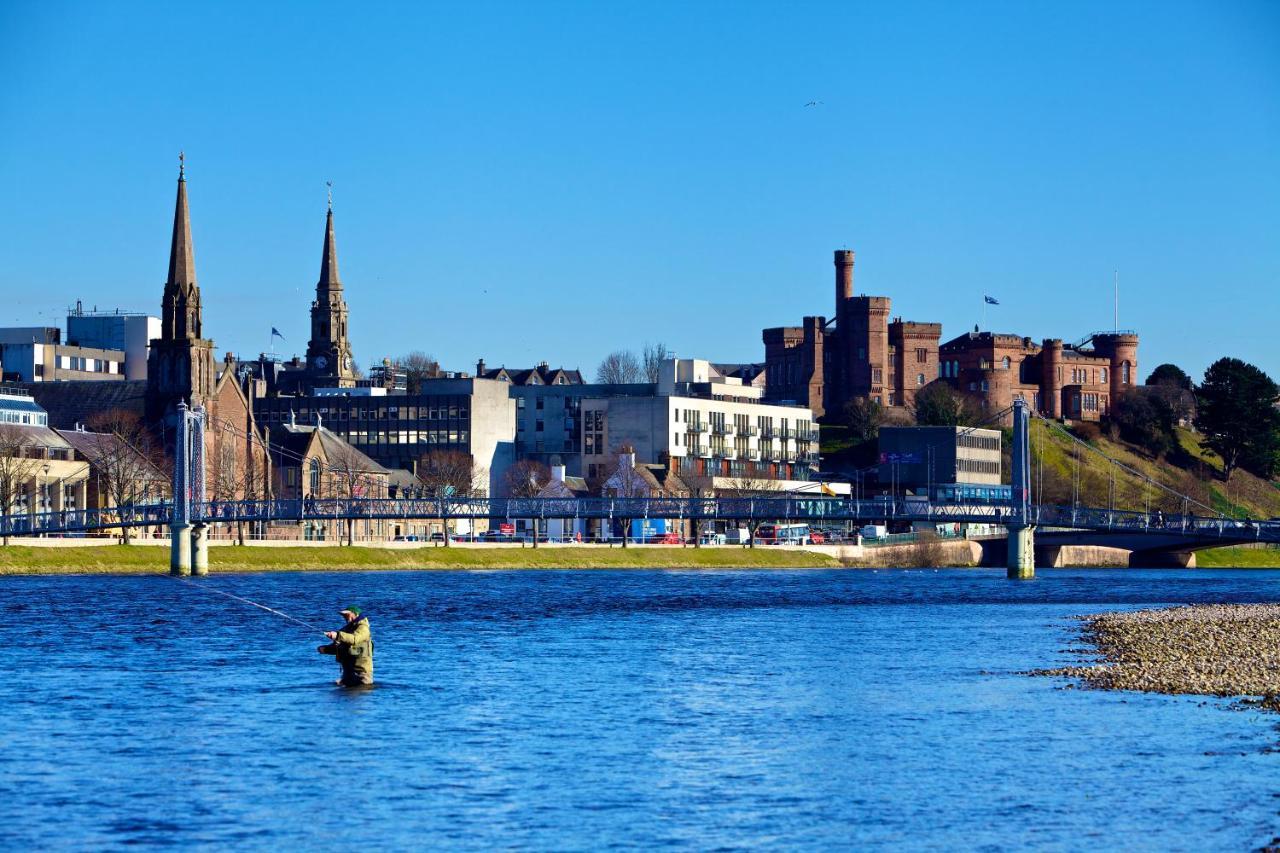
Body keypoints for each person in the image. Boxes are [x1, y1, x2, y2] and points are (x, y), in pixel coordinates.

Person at [317, 606, 374, 686]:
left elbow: (355, 639)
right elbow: (339, 647)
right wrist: (325, 649)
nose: (344, 617)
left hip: (362, 673)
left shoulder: (363, 628)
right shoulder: (346, 629)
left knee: (362, 692)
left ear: (356, 614)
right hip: (347, 673)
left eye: (347, 615)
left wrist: (337, 635)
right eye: (343, 615)